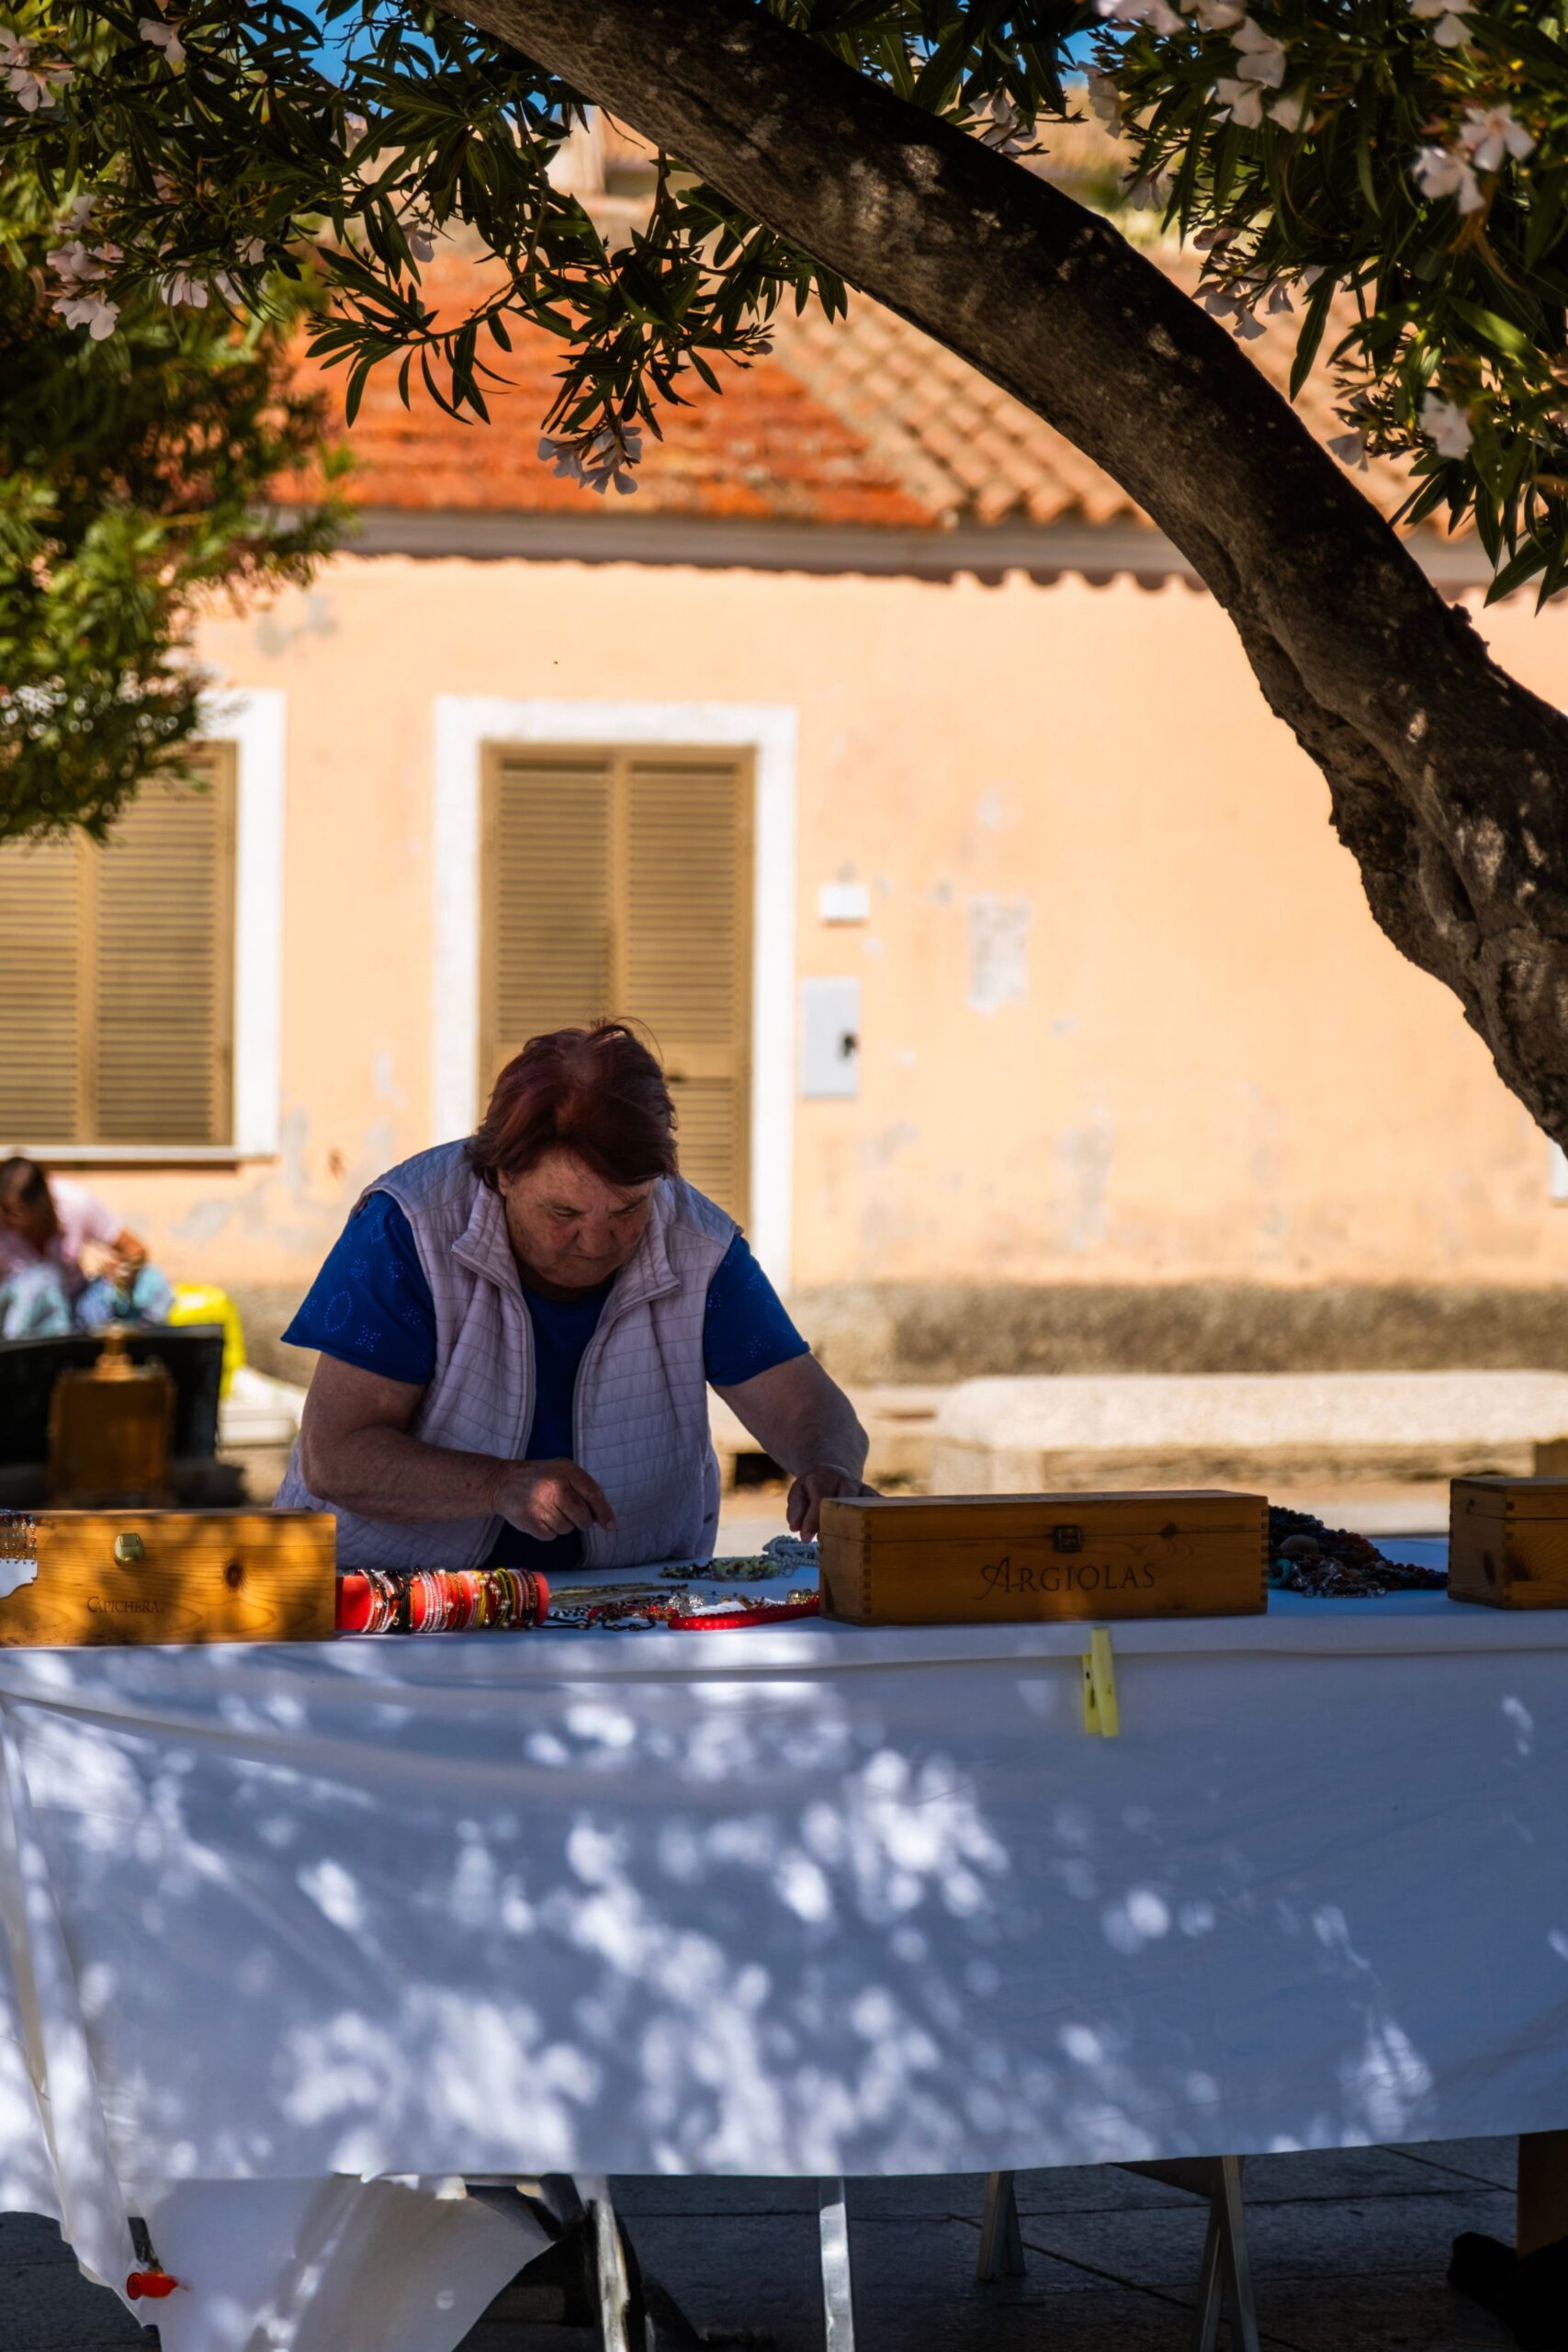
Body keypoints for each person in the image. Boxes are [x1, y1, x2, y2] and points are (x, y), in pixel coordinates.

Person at [276, 1023, 874, 1572]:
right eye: (563, 1213)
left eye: (628, 1209)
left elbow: (804, 1404)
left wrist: (829, 1467)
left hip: (624, 1599)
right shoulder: (408, 1226)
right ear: (502, 1175)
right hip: (395, 1598)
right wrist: (498, 1485)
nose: (597, 1241)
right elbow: (337, 1456)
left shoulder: (698, 1244)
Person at [0, 1157, 172, 1340]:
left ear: (40, 1203)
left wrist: (122, 1270)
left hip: (76, 1302)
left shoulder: (74, 1202)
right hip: (19, 1319)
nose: (5, 1217)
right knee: (40, 1282)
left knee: (150, 1279)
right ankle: (18, 1352)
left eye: (13, 1211)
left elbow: (134, 1249)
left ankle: (144, 1345)